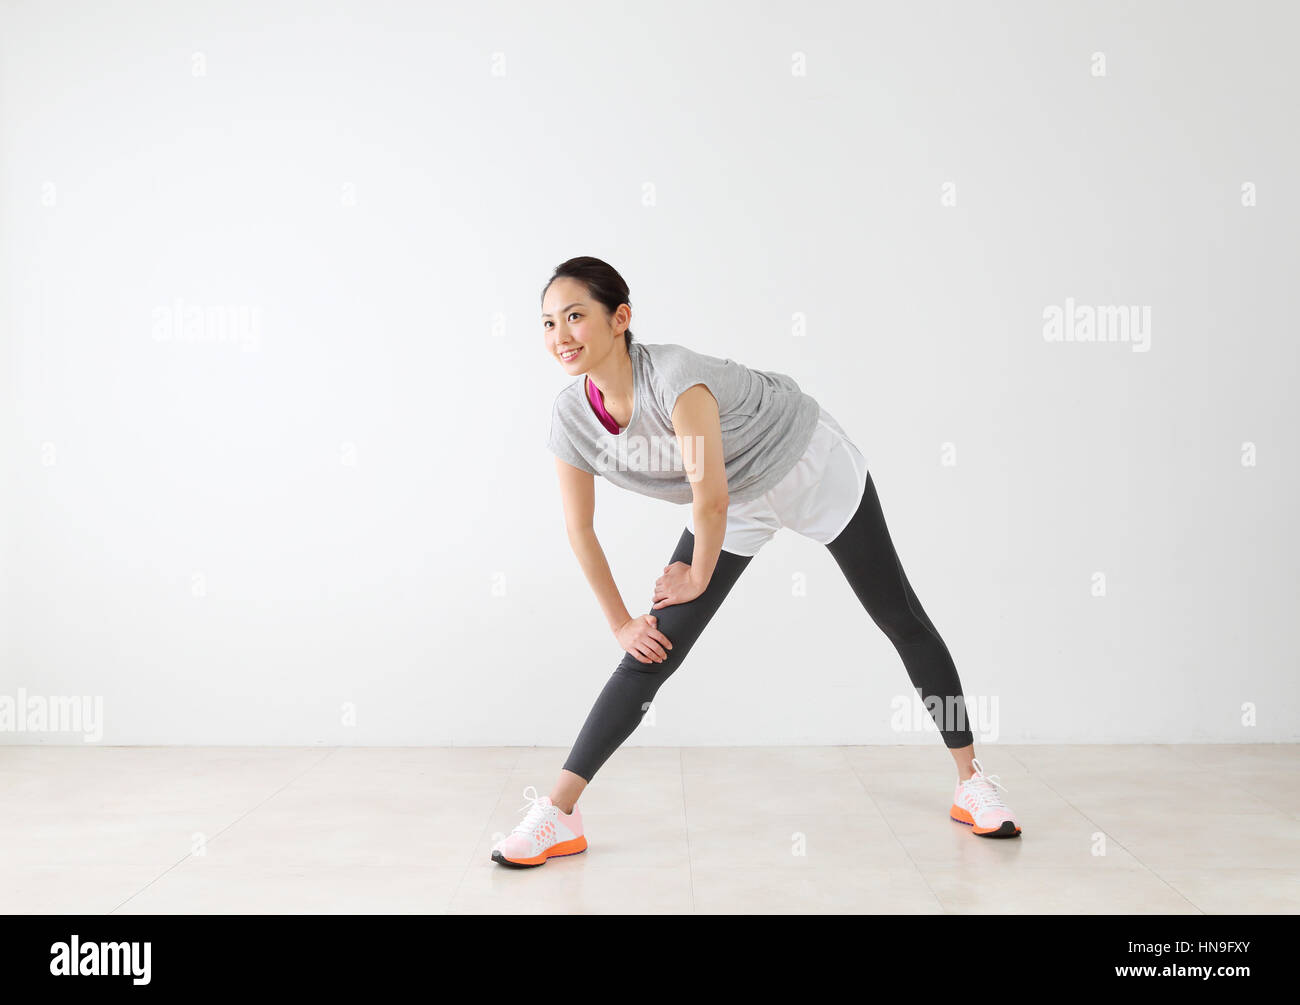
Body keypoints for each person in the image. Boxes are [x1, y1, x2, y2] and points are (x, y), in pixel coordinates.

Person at [490, 257, 1021, 868]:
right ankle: (559, 814)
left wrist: (696, 574)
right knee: (651, 649)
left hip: (803, 464)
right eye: (549, 322)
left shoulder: (674, 378)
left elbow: (706, 494)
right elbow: (580, 528)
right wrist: (621, 622)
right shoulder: (571, 416)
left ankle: (972, 780)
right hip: (730, 502)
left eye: (576, 316)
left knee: (898, 614)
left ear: (621, 318)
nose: (561, 336)